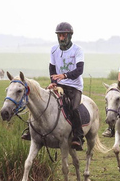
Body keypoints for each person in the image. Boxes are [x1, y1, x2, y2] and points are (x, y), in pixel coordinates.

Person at [21, 22, 86, 151]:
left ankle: (78, 137)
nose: (61, 38)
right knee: (40, 101)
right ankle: (31, 130)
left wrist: (64, 76)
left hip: (74, 87)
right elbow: (52, 68)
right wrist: (54, 81)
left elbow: (80, 70)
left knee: (73, 108)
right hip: (58, 84)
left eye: (64, 35)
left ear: (69, 36)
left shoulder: (78, 50)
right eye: (59, 36)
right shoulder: (54, 50)